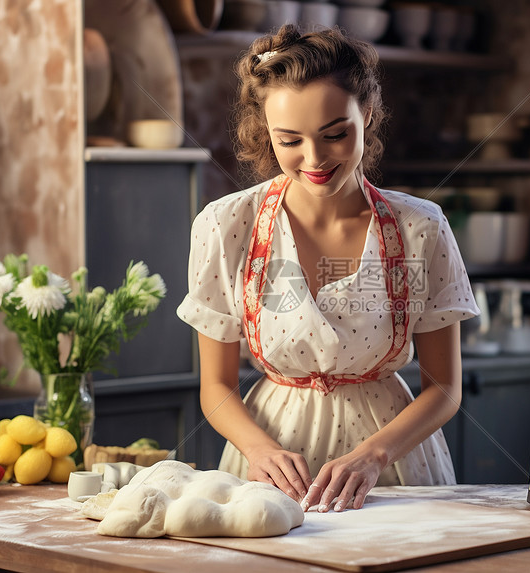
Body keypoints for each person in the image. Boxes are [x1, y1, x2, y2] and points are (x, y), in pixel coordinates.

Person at [177, 24, 479, 513]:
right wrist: (258, 450)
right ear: (265, 133)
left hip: (395, 463)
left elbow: (444, 388)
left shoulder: (420, 228)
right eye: (289, 140)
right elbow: (215, 385)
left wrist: (373, 456)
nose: (314, 158)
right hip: (269, 458)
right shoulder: (226, 224)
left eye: (335, 134)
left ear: (369, 115)